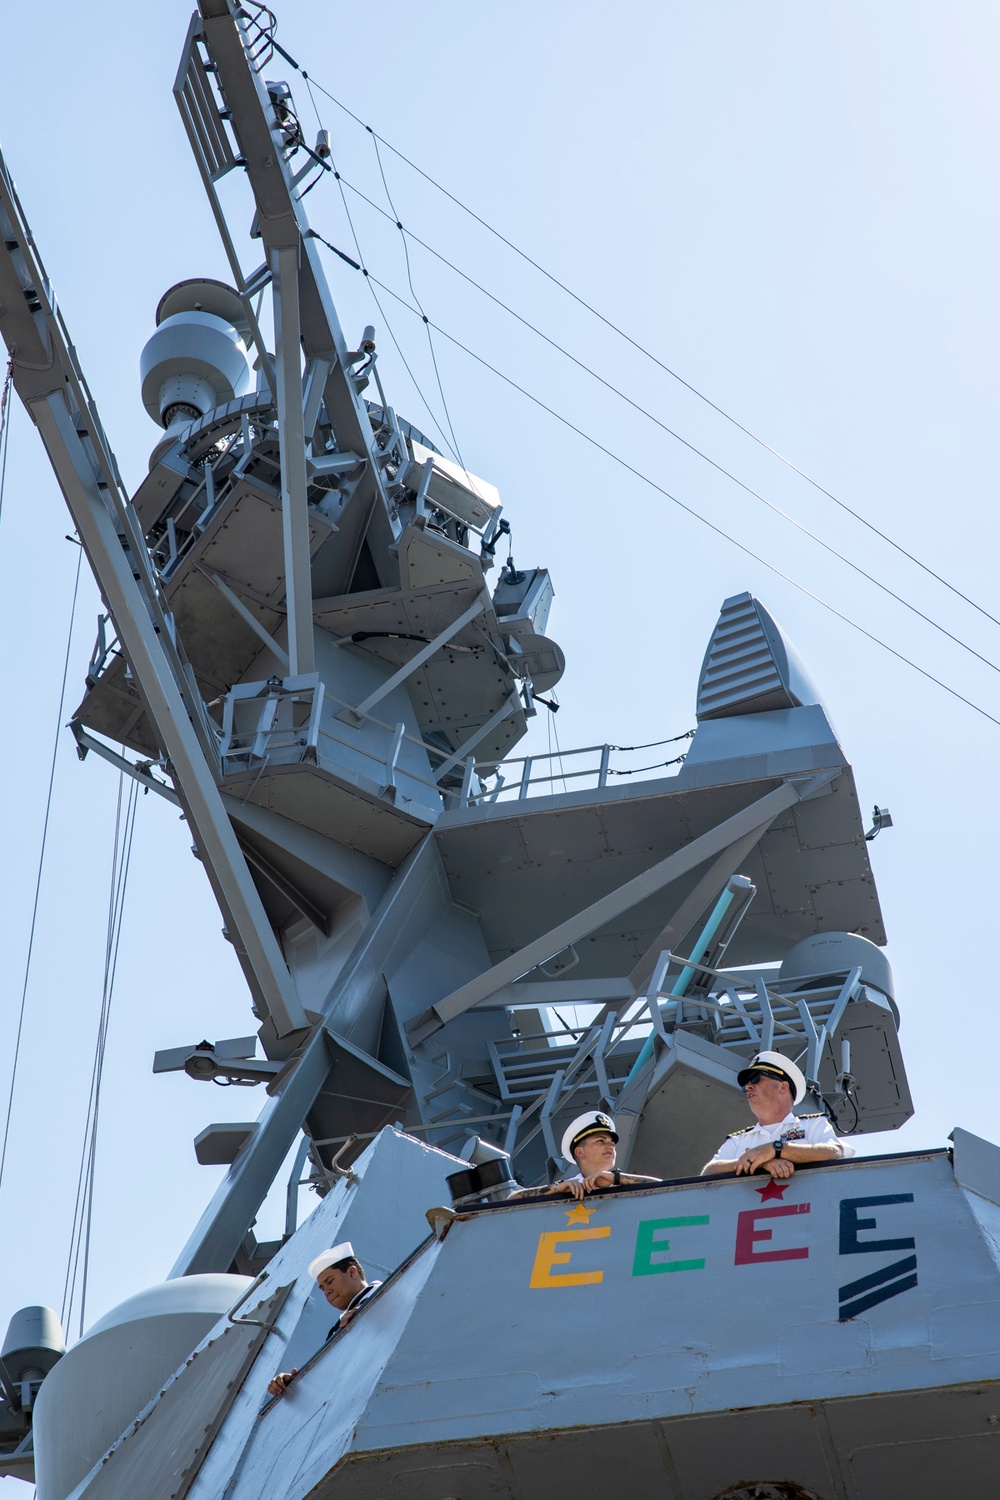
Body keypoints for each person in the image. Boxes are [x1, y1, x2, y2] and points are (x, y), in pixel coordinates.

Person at [700, 1050, 851, 1178]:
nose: (748, 1087)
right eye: (746, 1084)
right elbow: (708, 1172)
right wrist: (761, 1162)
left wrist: (776, 1149)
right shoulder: (739, 1139)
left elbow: (835, 1152)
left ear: (782, 1087)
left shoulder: (812, 1125)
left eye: (756, 1078)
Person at [267, 1241, 382, 1396]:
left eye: (330, 1281)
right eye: (322, 1288)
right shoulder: (337, 1329)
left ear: (352, 1272)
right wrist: (292, 1382)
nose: (326, 1291)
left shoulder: (389, 1293)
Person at [511, 1110, 660, 1201]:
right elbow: (513, 1199)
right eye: (601, 1141)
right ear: (580, 1152)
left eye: (611, 1143)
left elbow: (665, 1190)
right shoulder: (567, 1187)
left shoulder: (622, 1182)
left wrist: (616, 1178)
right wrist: (557, 1190)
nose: (610, 1145)